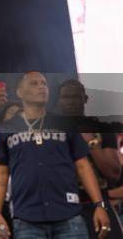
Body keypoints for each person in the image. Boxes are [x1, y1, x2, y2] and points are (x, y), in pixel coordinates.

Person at [0, 71, 110, 239]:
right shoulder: (7, 128)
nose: (42, 87)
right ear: (20, 92)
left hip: (69, 215)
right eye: (34, 83)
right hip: (27, 219)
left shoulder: (64, 123)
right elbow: (1, 174)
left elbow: (83, 166)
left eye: (44, 84)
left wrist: (99, 205)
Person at [57, 79, 122, 238]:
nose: (71, 102)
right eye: (66, 97)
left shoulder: (101, 128)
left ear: (85, 99)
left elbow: (113, 172)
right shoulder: (51, 131)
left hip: (99, 204)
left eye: (76, 97)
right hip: (62, 207)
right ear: (58, 101)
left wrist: (91, 142)